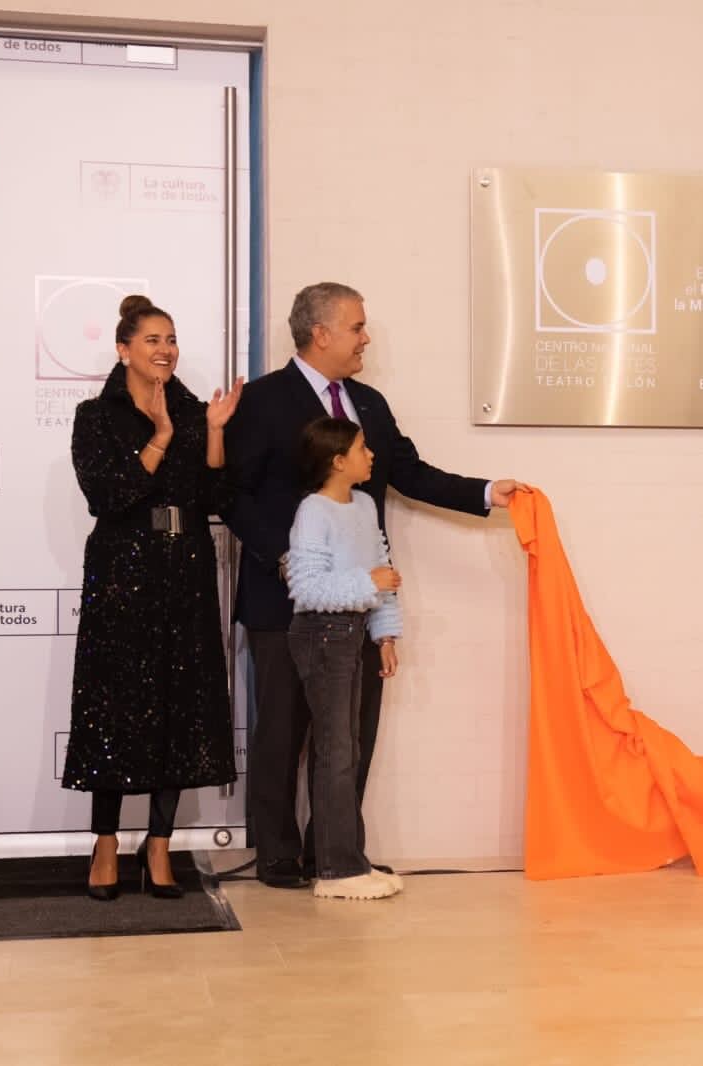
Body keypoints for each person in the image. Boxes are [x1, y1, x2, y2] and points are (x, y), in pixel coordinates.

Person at [223, 281, 528, 890]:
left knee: (350, 736)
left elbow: (409, 472)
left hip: (359, 605)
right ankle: (278, 855)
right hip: (283, 602)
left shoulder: (369, 403)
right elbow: (232, 494)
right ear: (321, 334)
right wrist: (285, 556)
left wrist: (484, 492)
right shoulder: (261, 400)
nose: (367, 339)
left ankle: (335, 854)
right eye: (357, 327)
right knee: (283, 729)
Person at [64, 295, 245, 900]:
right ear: (124, 350)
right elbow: (109, 496)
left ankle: (160, 844)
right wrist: (162, 435)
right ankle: (106, 843)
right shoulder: (96, 416)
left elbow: (216, 497)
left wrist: (213, 433)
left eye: (171, 339)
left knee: (181, 703)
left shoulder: (194, 413)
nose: (165, 350)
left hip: (185, 567)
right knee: (114, 706)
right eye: (152, 340)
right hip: (122, 567)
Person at [284, 418, 405, 899]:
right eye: (361, 447)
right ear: (337, 461)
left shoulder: (365, 505)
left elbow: (383, 570)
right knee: (335, 752)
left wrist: (385, 633)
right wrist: (368, 582)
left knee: (348, 751)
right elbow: (306, 588)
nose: (370, 454)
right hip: (322, 634)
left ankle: (350, 860)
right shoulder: (313, 511)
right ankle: (336, 871)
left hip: (354, 633)